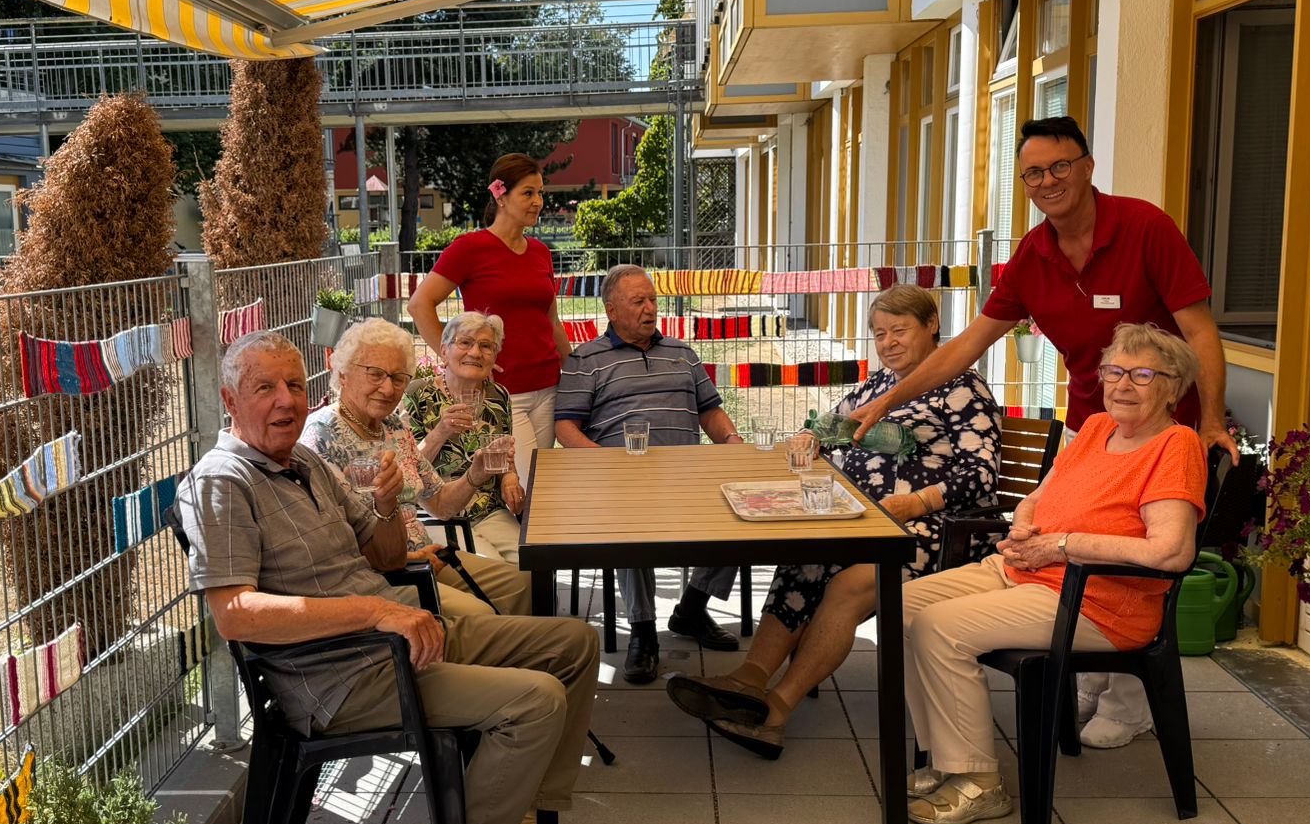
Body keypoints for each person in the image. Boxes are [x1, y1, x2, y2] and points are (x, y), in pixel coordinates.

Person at [178, 330, 606, 824]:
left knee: (574, 643)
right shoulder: (223, 481)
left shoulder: (304, 463)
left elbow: (382, 557)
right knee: (536, 700)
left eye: (294, 384)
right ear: (229, 399)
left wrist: (383, 508)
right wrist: (375, 613)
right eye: (264, 387)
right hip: (344, 676)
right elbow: (236, 613)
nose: (286, 400)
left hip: (401, 640)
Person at [849, 114, 1231, 749]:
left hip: (1164, 416)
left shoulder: (1145, 227)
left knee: (1139, 548)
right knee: (1070, 524)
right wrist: (887, 400)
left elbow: (1199, 330)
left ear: (1086, 167)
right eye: (1033, 173)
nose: (1048, 181)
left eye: (1059, 166)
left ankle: (1129, 694)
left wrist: (1210, 419)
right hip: (1091, 421)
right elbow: (965, 346)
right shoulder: (1035, 253)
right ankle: (1082, 664)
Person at [666, 285, 1002, 757]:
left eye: (899, 330)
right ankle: (748, 680)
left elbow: (981, 472)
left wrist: (916, 503)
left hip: (934, 532)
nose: (888, 343)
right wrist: (810, 437)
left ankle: (775, 711)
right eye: (879, 334)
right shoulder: (879, 386)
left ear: (932, 326)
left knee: (850, 584)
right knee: (803, 560)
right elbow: (827, 425)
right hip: (864, 521)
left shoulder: (963, 387)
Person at [898, 323, 1207, 824]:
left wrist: (1063, 545)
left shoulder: (1175, 445)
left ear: (1173, 388)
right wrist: (1023, 527)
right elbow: (1040, 497)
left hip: (1097, 601)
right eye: (1114, 371)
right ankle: (946, 756)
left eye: (1142, 375)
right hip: (1032, 570)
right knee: (903, 606)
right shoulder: (1096, 429)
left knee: (940, 628)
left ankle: (979, 782)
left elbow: (1170, 552)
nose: (1122, 385)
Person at [554, 263, 744, 683]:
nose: (650, 308)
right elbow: (565, 427)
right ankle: (643, 631)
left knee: (741, 513)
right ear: (611, 310)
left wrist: (732, 441)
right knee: (630, 525)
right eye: (638, 301)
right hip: (623, 480)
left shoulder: (681, 353)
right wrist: (605, 462)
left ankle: (692, 608)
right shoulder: (585, 359)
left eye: (653, 299)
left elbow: (710, 411)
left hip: (688, 476)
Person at [303, 319, 530, 618]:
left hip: (427, 556)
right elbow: (331, 540)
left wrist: (475, 474)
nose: (387, 388)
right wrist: (409, 557)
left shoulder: (393, 426)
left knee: (523, 584)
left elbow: (440, 504)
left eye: (398, 378)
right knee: (478, 613)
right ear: (342, 372)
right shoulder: (322, 435)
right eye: (375, 374)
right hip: (382, 575)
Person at [408, 153, 569, 492]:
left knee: (539, 487)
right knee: (523, 485)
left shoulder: (541, 252)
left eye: (540, 193)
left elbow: (552, 322)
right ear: (501, 196)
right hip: (504, 394)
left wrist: (575, 372)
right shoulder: (470, 248)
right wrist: (456, 359)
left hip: (549, 387)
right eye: (528, 193)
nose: (538, 202)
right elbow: (419, 304)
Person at [402, 311, 528, 567]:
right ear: (444, 351)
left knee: (530, 564)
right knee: (494, 570)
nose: (475, 352)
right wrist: (440, 432)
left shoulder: (498, 395)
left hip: (488, 510)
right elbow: (407, 469)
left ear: (494, 356)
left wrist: (509, 477)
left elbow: (503, 452)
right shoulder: (417, 394)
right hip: (440, 515)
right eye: (465, 343)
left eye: (486, 346)